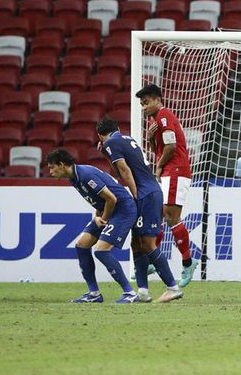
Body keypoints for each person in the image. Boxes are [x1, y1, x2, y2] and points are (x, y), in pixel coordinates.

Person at [97, 118, 183, 303]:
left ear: (100, 136)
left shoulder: (111, 142)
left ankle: (172, 287)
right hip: (150, 191)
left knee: (147, 243)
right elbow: (123, 170)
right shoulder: (127, 139)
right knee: (136, 242)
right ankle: (143, 291)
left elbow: (125, 171)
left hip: (146, 194)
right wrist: (106, 154)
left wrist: (135, 195)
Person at [47, 149, 140, 304]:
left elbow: (111, 198)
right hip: (109, 210)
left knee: (101, 251)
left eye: (52, 167)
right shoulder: (74, 177)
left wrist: (102, 219)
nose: (50, 171)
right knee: (81, 245)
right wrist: (97, 217)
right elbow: (99, 199)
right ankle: (94, 293)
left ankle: (130, 293)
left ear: (62, 165)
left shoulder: (85, 175)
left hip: (124, 210)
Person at [136, 84, 198, 287]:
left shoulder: (164, 116)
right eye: (142, 104)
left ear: (156, 100)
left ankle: (188, 262)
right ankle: (155, 258)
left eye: (146, 103)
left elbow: (171, 148)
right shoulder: (157, 121)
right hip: (171, 172)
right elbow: (160, 148)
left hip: (176, 170)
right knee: (160, 214)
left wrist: (158, 168)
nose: (144, 107)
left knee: (171, 217)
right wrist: (152, 138)